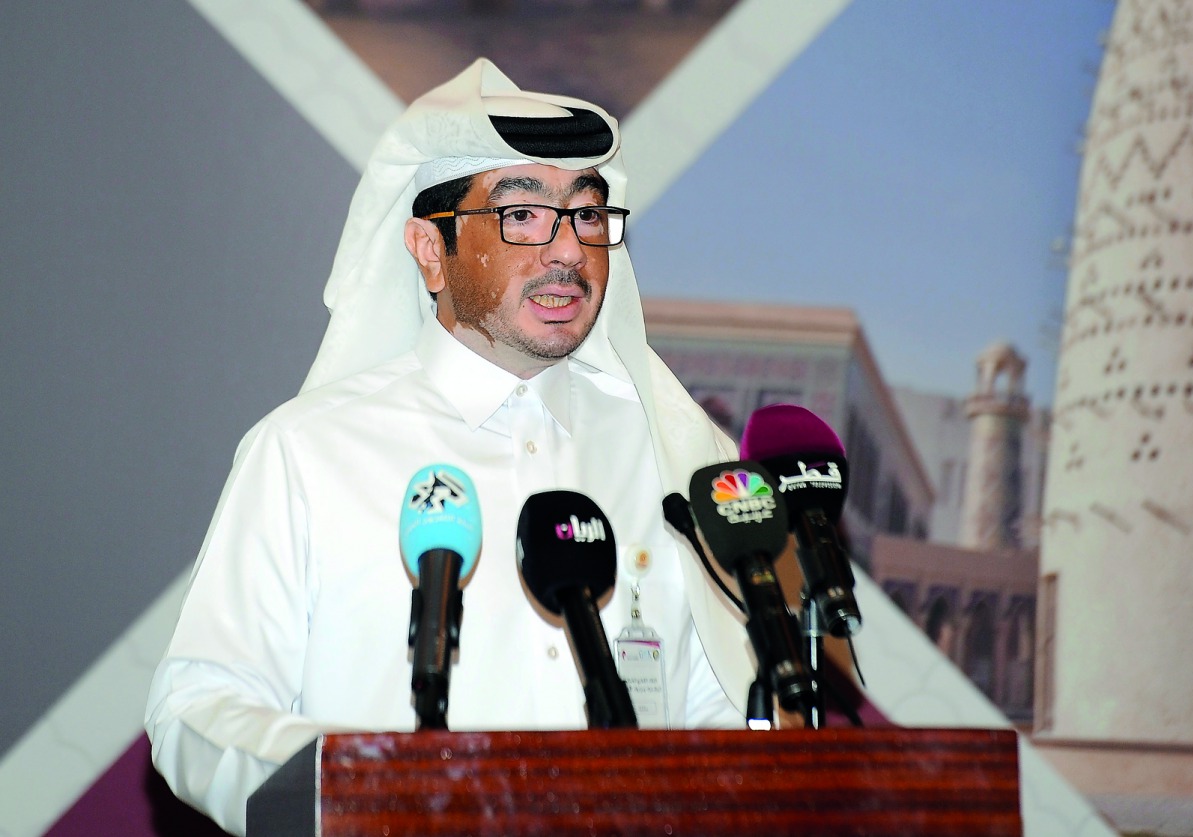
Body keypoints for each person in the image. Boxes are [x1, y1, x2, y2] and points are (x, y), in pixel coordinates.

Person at [145, 58, 756, 835]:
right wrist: (371, 791)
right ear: (429, 250)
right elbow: (197, 705)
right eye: (523, 214)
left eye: (589, 216)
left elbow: (719, 705)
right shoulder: (308, 452)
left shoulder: (673, 455)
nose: (568, 249)